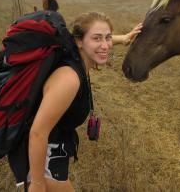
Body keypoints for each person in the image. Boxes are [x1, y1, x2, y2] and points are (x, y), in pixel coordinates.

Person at [8, 11, 142, 192]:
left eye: (108, 38)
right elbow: (37, 133)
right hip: (43, 163)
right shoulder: (69, 78)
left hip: (54, 157)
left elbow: (98, 41)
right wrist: (38, 184)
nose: (105, 45)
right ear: (78, 41)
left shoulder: (78, 61)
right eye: (97, 38)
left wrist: (123, 38)